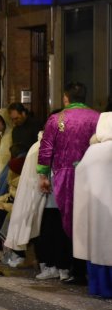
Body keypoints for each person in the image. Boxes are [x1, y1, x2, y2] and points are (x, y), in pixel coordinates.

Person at [37, 82, 99, 285]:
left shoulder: (57, 119)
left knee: (63, 220)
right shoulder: (96, 117)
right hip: (90, 175)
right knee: (85, 221)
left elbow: (46, 148)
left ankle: (67, 266)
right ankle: (83, 269)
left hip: (62, 176)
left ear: (66, 98)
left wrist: (43, 175)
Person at [73, 112, 112, 298]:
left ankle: (99, 287)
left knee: (98, 249)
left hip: (96, 212)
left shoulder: (93, 151)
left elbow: (80, 174)